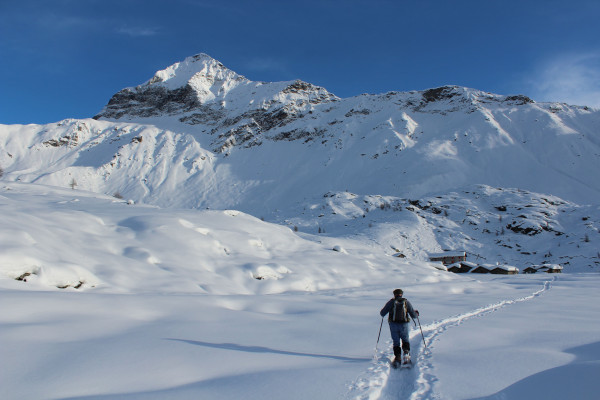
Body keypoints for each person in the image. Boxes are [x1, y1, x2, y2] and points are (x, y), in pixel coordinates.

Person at [380, 288, 419, 365]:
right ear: (401, 294)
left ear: (394, 294)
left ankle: (398, 358)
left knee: (396, 342)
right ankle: (406, 355)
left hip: (393, 324)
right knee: (405, 339)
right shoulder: (406, 302)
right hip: (404, 324)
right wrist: (416, 314)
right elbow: (413, 315)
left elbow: (382, 313)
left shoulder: (391, 302)